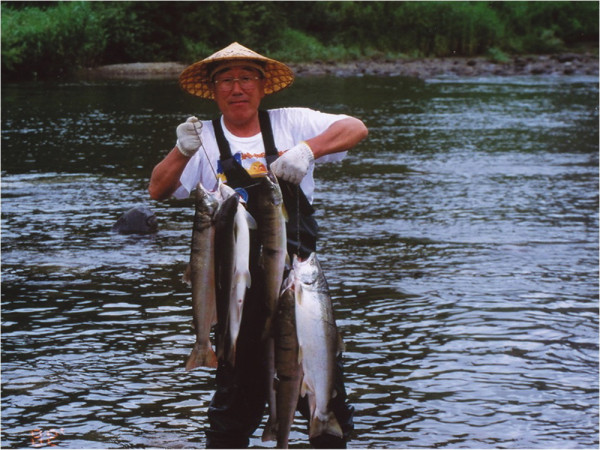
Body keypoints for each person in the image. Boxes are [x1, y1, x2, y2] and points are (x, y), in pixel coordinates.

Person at [149, 42, 368, 449]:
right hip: (238, 291)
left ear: (263, 85)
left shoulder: (293, 122)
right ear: (213, 91)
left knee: (322, 390)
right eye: (227, 80)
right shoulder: (205, 138)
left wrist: (307, 149)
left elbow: (356, 127)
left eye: (246, 78)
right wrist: (181, 150)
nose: (237, 88)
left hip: (299, 284)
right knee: (235, 405)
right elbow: (158, 189)